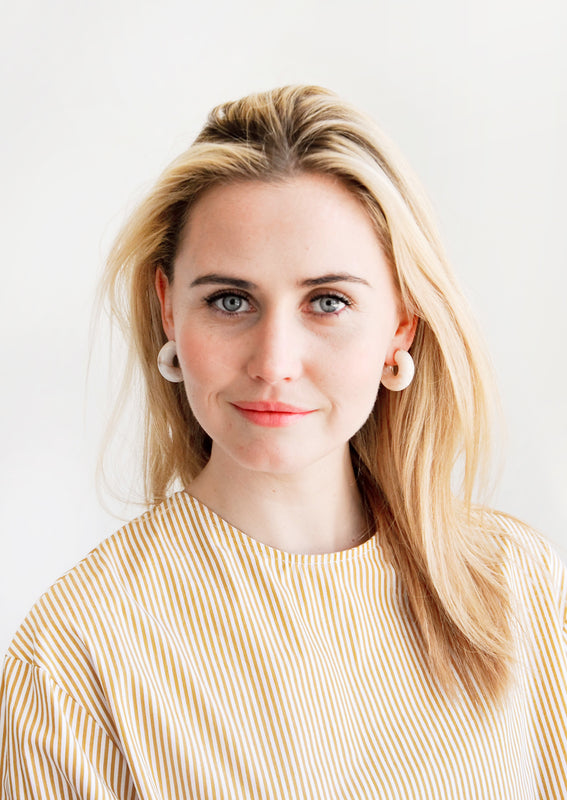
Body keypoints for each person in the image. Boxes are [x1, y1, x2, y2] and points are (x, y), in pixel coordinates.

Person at [1, 85, 566, 799]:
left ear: (401, 324)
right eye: (229, 300)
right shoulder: (71, 661)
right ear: (169, 310)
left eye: (327, 301)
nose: (274, 362)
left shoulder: (513, 583)